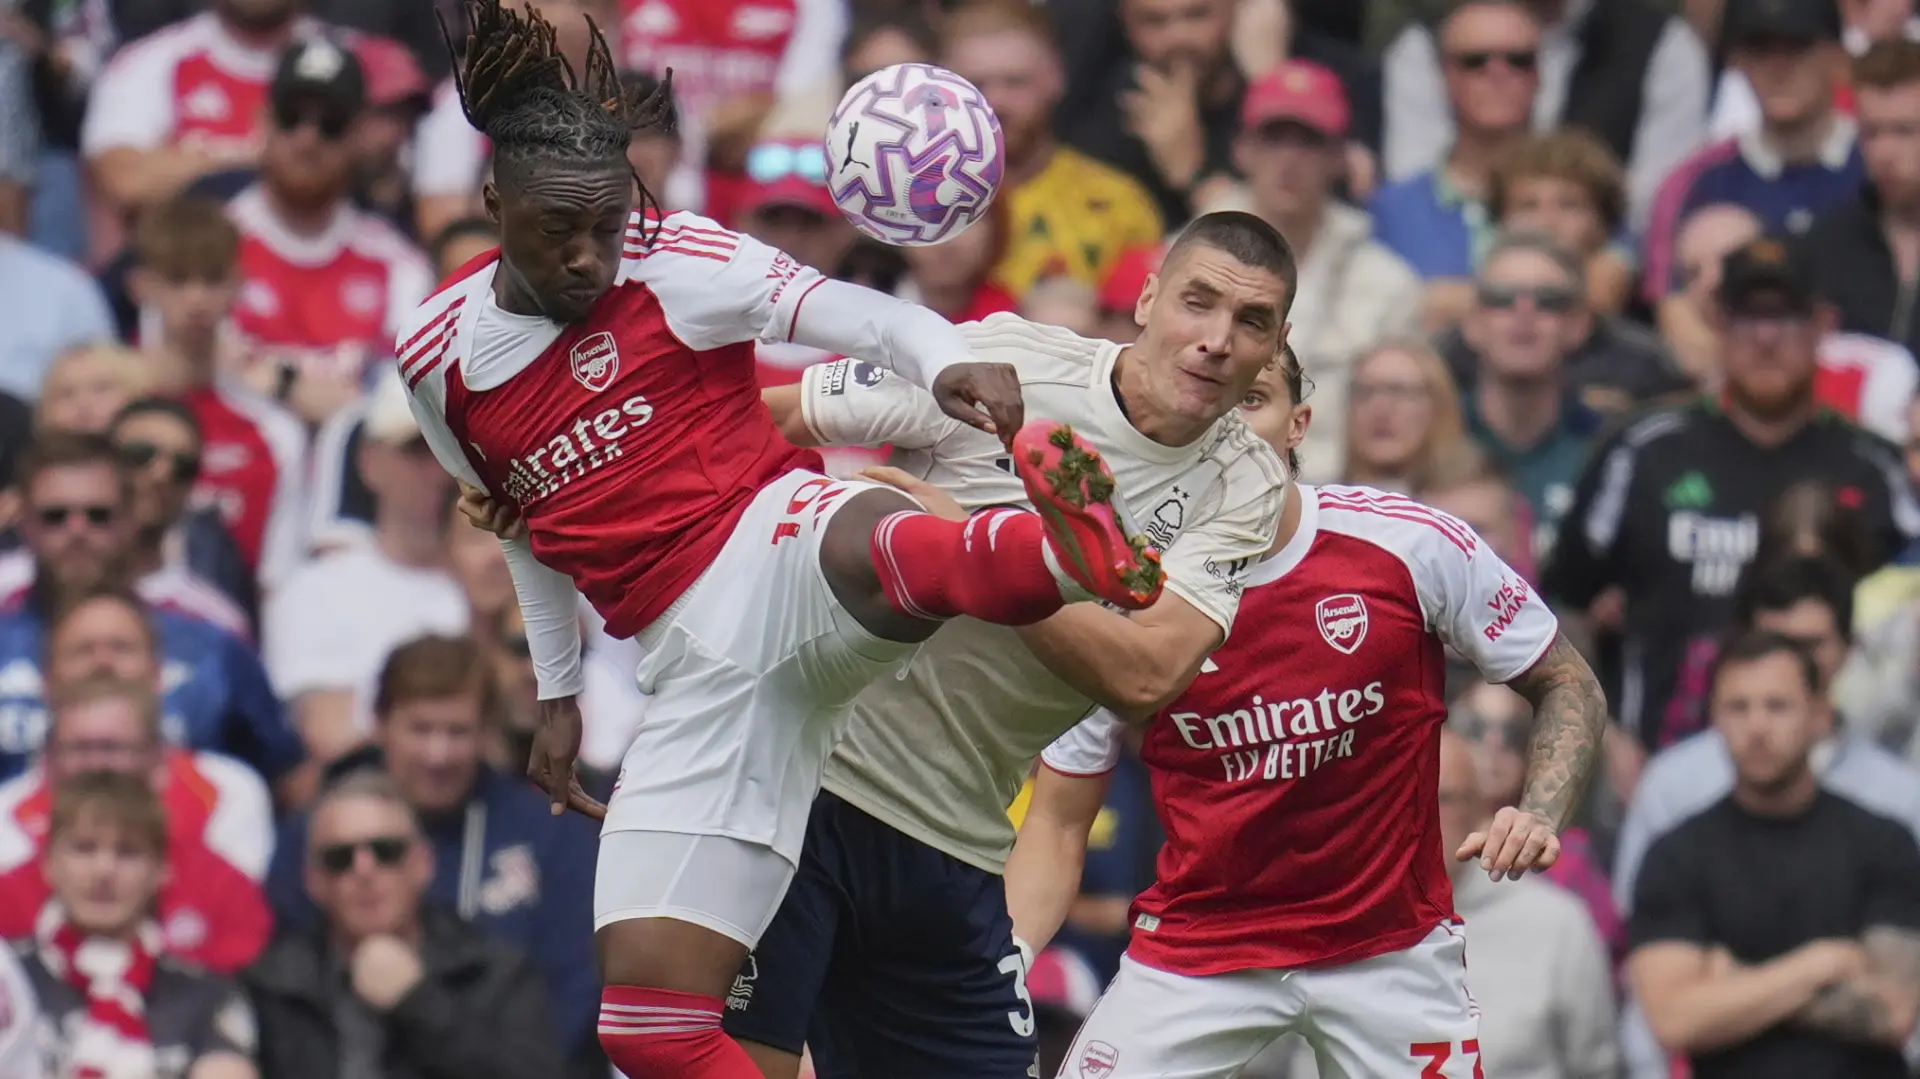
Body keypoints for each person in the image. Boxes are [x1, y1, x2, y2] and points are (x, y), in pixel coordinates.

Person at [405, 7, 1204, 1075]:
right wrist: (557, 690)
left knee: (864, 529)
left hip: (766, 543)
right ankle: (1041, 548)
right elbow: (519, 527)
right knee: (648, 1032)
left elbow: (863, 317)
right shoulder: (435, 363)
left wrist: (947, 364)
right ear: (492, 201)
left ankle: (1061, 552)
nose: (594, 254)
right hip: (693, 675)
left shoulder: (678, 256)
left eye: (610, 221)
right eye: (562, 231)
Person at [718, 325, 1296, 1078]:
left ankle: (1023, 553)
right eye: (1198, 302)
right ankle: (1012, 552)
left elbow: (1142, 679)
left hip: (955, 845)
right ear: (1151, 302)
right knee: (861, 503)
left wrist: (984, 554)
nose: (1216, 354)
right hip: (801, 787)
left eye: (1256, 396)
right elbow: (772, 418)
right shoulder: (1002, 360)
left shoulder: (1243, 497)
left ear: (1300, 424)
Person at [1014, 367, 1608, 1079]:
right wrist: (1006, 964)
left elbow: (1570, 681)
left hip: (1392, 950)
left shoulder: (1410, 544)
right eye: (1213, 405)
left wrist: (1540, 810)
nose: (1230, 424)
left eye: (1254, 401)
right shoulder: (1120, 592)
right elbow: (1054, 824)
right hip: (1199, 948)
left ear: (1300, 424)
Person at [1546, 237, 1920, 757]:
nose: (1766, 338)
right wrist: (1607, 740)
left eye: (1787, 316)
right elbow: (1561, 605)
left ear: (1823, 325)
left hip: (1837, 767)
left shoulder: (1878, 468)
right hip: (1655, 760)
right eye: (1748, 316)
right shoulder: (1643, 451)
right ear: (1718, 322)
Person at [263, 636, 602, 1059]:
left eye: (457, 731)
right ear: (380, 723)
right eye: (420, 729)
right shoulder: (326, 836)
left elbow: (573, 991)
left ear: (486, 732)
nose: (437, 754)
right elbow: (289, 977)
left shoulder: (550, 836)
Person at [1626, 630, 1920, 1079]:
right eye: (1738, 707)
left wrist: (1732, 982)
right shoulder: (1676, 855)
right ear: (1714, 719)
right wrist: (1818, 965)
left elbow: (1893, 1012)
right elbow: (1673, 1019)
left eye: (1777, 706)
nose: (1757, 727)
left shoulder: (1884, 842)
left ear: (1821, 716)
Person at [0, 437, 303, 787]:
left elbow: (288, 778)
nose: (77, 531)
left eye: (99, 515)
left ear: (132, 521)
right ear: (25, 525)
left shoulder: (213, 649)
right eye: (56, 517)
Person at [245, 772, 565, 1079]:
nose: (364, 871)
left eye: (386, 851)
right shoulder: (274, 984)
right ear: (313, 881)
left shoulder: (491, 973)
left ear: (423, 864)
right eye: (340, 858)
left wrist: (417, 1002)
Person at [0, 673, 274, 971]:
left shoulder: (223, 890)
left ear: (158, 757)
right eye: (79, 748)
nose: (97, 764)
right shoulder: (9, 897)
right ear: (49, 760)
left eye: (114, 748)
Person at [227, 37, 434, 425]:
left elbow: (401, 414)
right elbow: (190, 376)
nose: (308, 140)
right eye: (292, 118)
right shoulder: (214, 244)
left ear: (357, 136)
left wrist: (277, 382)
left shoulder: (399, 266)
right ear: (263, 123)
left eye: (331, 125)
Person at [1232, 59, 1421, 480]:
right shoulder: (1183, 264)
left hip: (1345, 502)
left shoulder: (1389, 282)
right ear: (1243, 150)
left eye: (1308, 142)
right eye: (1274, 139)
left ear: (1339, 157)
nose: (1289, 161)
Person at [264, 374, 469, 764]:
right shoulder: (317, 589)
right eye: (418, 449)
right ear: (370, 463)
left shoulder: (504, 581)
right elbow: (327, 733)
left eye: (452, 449)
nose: (439, 469)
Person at [18, 770, 259, 1079]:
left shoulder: (205, 995)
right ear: (49, 864)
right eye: (84, 848)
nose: (104, 870)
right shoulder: (9, 978)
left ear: (162, 871)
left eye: (127, 852)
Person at [938, 0, 1165, 298]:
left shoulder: (1118, 204)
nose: (995, 102)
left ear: (1055, 78)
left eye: (1015, 82)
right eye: (975, 85)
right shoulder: (914, 201)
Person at [1435, 725, 1618, 1079]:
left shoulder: (1556, 924)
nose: (1419, 818)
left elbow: (1597, 1068)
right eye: (1398, 799)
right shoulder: (1327, 919)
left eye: (1441, 799)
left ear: (1478, 808)